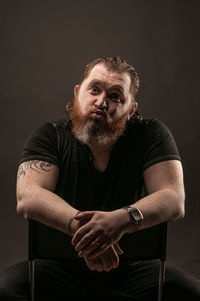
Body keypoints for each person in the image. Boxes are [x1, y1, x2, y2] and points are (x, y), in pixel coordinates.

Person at [0, 56, 199, 301]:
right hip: (58, 267)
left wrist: (121, 220)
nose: (101, 102)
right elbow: (28, 197)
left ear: (132, 109)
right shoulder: (49, 136)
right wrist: (87, 232)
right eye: (94, 89)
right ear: (77, 93)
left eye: (115, 96)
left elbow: (174, 199)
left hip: (133, 268)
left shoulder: (151, 134)